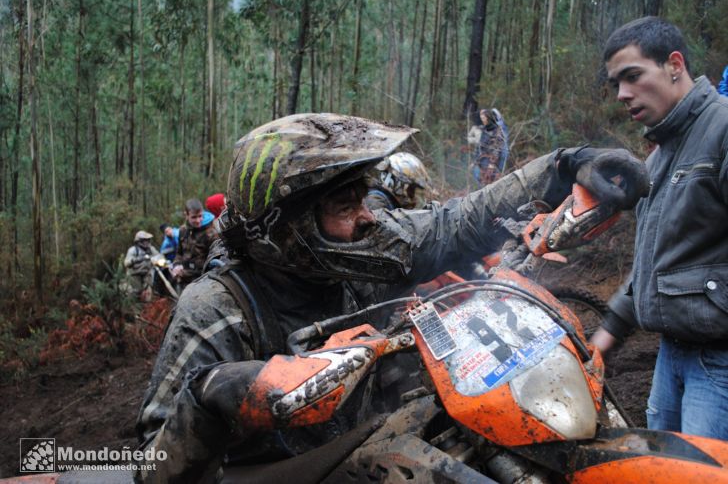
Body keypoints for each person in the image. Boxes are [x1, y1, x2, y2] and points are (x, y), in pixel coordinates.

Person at [135, 113, 647, 483]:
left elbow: (456, 223)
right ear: (284, 227)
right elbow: (154, 462)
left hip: (379, 442)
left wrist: (565, 167)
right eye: (344, 204)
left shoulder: (364, 247)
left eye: (363, 198)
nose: (368, 216)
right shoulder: (217, 306)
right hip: (279, 470)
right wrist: (224, 393)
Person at [590, 17, 728, 440]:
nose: (623, 94)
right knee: (659, 468)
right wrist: (604, 338)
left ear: (673, 64)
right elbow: (653, 264)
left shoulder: (722, 130)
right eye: (616, 83)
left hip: (719, 363)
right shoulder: (657, 158)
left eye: (633, 76)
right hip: (670, 356)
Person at [170, 199, 216, 289]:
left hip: (204, 281)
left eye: (200, 216)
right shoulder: (182, 231)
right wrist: (176, 265)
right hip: (184, 280)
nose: (198, 220)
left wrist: (185, 272)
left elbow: (213, 263)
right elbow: (179, 253)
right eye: (194, 217)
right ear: (186, 215)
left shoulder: (210, 233)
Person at [364, 152, 432, 211]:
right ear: (396, 183)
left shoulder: (391, 203)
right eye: (411, 190)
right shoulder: (376, 204)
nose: (413, 199)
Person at [467, 108, 510, 187]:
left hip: (493, 161)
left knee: (491, 181)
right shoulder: (484, 130)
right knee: (477, 174)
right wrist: (475, 162)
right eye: (481, 118)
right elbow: (480, 147)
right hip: (484, 159)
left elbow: (497, 148)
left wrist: (492, 163)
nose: (482, 120)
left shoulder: (497, 131)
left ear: (488, 118)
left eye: (483, 118)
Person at [123, 230, 159, 300]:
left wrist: (161, 260)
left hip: (147, 273)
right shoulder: (133, 250)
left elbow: (158, 255)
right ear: (139, 241)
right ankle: (133, 304)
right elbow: (126, 263)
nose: (147, 242)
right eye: (144, 240)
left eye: (148, 240)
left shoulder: (151, 249)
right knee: (137, 291)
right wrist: (136, 260)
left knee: (150, 289)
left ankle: (149, 305)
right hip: (135, 273)